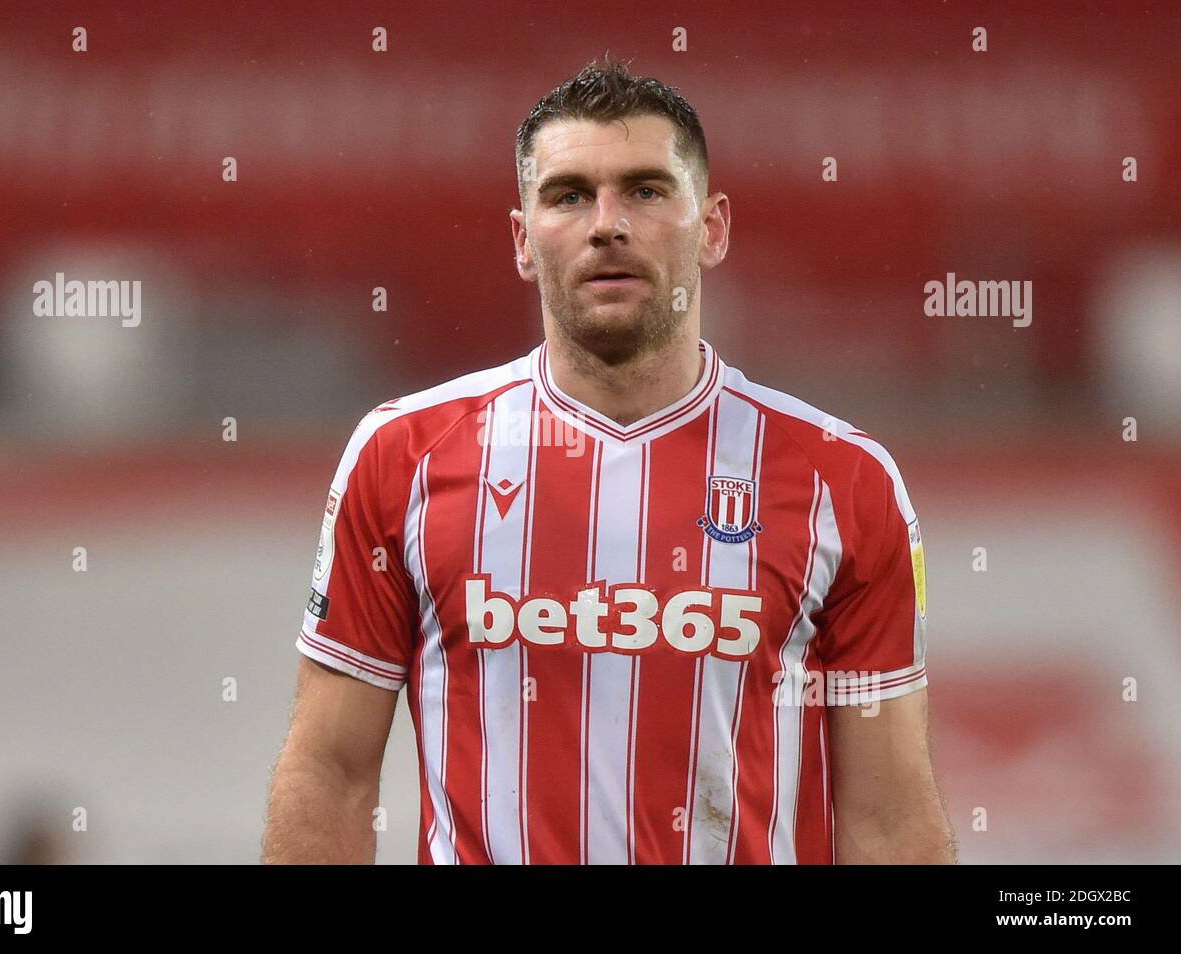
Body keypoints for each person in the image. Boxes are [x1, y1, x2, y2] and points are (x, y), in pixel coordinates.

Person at [263, 58, 955, 864]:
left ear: (714, 227)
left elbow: (889, 816)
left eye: (646, 190)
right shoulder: (402, 456)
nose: (606, 224)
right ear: (523, 241)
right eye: (568, 195)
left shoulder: (846, 481)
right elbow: (331, 772)